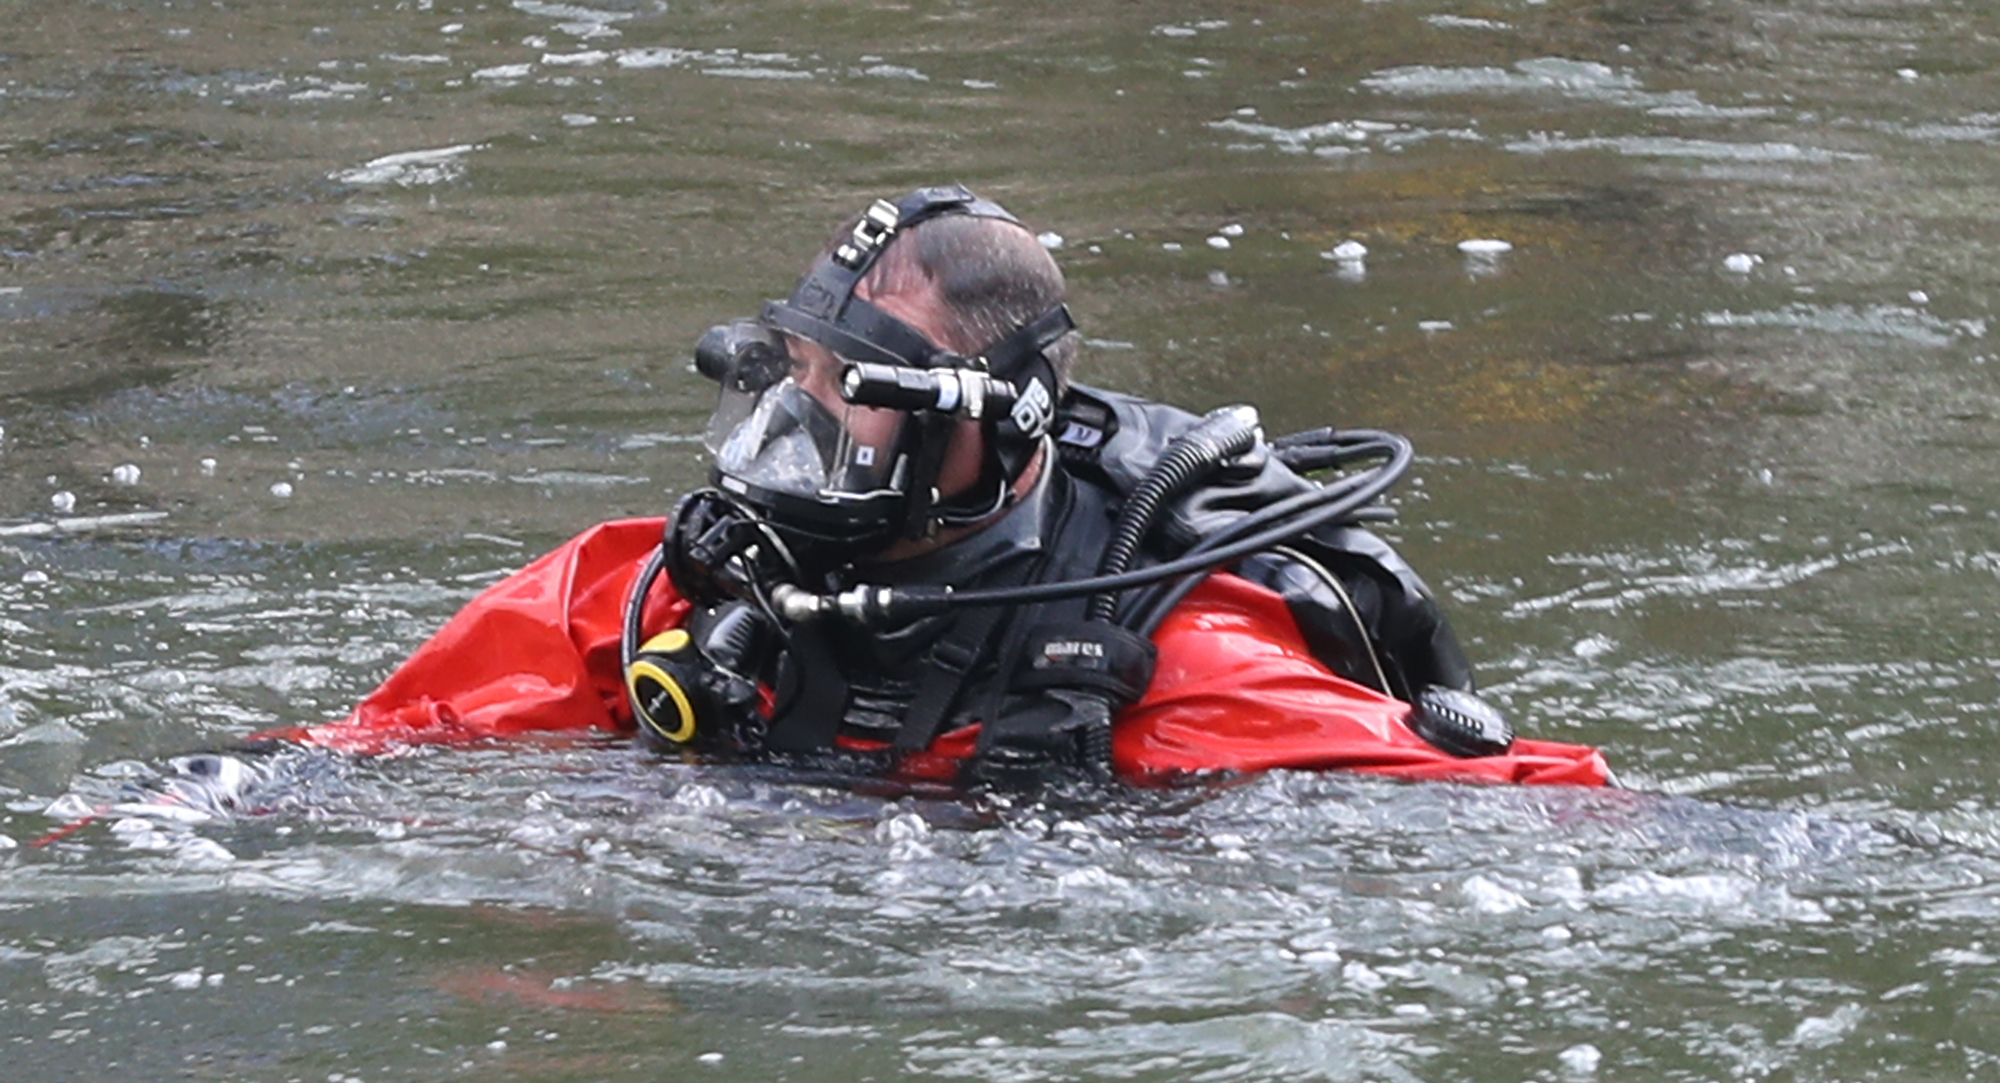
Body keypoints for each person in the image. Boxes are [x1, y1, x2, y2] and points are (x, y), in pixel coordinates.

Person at [298, 186, 1609, 787]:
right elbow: (343, 762)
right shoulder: (655, 592)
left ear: (996, 424)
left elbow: (1524, 818)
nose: (797, 432)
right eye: (789, 378)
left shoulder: (1174, 655)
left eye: (852, 397)